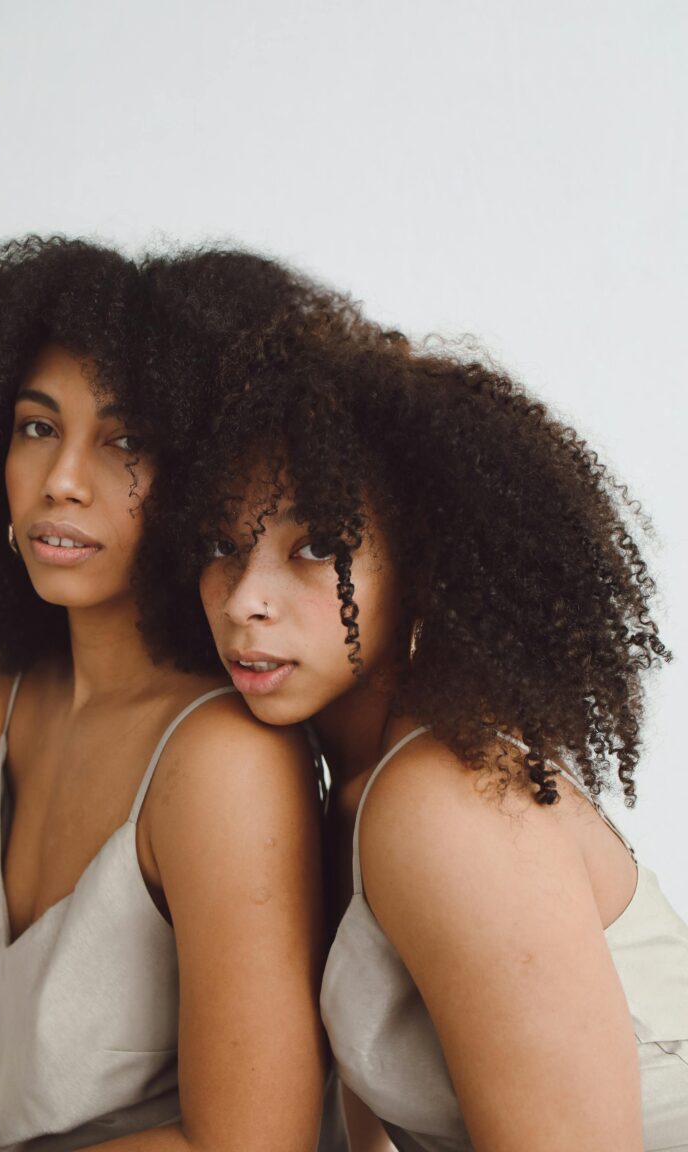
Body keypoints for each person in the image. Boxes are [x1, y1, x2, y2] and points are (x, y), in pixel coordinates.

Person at [164, 251, 688, 1151]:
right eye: (222, 542)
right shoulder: (346, 788)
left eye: (315, 546)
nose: (244, 597)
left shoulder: (446, 803)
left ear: (425, 571)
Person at [0, 238, 343, 1152]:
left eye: (126, 443)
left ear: (203, 479)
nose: (62, 480)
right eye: (37, 427)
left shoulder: (222, 760)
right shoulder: (5, 699)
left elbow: (250, 1146)